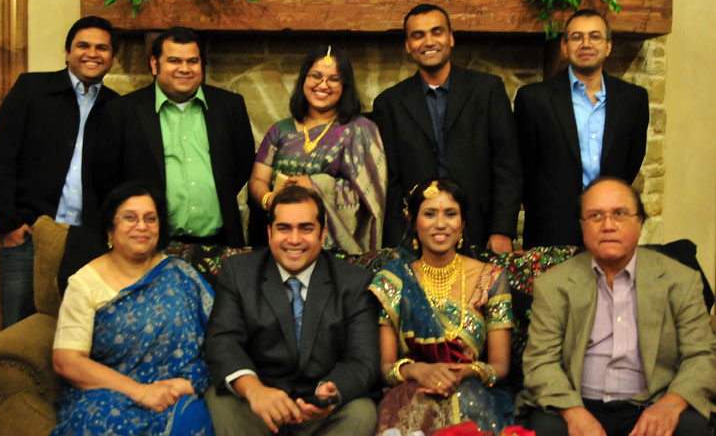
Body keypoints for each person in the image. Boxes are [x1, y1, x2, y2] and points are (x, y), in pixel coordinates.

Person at [518, 177, 716, 436]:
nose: (608, 225)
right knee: (546, 428)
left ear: (640, 222)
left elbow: (701, 356)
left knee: (692, 427)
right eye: (595, 216)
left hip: (655, 401)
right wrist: (573, 412)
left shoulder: (680, 280)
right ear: (582, 226)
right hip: (577, 402)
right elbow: (540, 361)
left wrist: (672, 404)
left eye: (620, 214)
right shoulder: (553, 285)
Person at [204, 186, 379, 436]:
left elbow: (363, 359)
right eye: (284, 228)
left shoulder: (354, 281)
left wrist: (331, 393)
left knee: (362, 412)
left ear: (322, 234)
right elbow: (222, 341)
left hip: (319, 411)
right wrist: (254, 390)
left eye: (306, 229)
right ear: (269, 233)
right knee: (220, 400)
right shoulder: (238, 272)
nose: (294, 240)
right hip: (258, 407)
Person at [50, 182, 216, 436]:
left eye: (150, 219)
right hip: (110, 394)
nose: (142, 226)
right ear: (110, 228)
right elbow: (67, 362)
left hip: (178, 393)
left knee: (202, 417)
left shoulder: (180, 274)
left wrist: (188, 385)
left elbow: (221, 336)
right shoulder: (84, 284)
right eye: (130, 218)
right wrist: (142, 392)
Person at [0, 16, 119, 327]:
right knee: (19, 329)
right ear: (68, 52)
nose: (92, 53)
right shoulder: (31, 89)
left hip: (86, 241)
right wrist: (9, 225)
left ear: (113, 58)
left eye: (102, 48)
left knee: (81, 330)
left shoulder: (117, 107)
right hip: (29, 235)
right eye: (83, 45)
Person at [369, 178, 515, 435]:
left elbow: (500, 367)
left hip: (471, 392)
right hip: (408, 393)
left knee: (468, 400)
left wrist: (467, 371)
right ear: (413, 221)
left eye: (450, 214)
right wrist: (417, 370)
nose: (440, 224)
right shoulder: (393, 280)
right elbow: (384, 367)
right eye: (429, 214)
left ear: (463, 223)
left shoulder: (490, 278)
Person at [372, 4, 521, 254]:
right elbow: (391, 182)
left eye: (436, 32)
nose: (428, 41)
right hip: (416, 238)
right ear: (408, 45)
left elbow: (507, 165)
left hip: (481, 232)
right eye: (418, 35)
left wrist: (502, 230)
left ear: (450, 38)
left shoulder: (487, 90)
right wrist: (398, 239)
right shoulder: (389, 103)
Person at [94, 26, 254, 247]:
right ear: (154, 65)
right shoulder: (121, 111)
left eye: (192, 61)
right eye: (174, 61)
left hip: (220, 242)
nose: (185, 69)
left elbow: (242, 165)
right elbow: (106, 178)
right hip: (151, 245)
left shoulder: (230, 107)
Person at [515, 9, 649, 247]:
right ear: (565, 47)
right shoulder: (534, 99)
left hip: (612, 226)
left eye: (595, 36)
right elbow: (523, 166)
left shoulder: (633, 99)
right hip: (551, 228)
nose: (586, 44)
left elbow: (632, 159)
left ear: (608, 47)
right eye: (577, 37)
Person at [249, 46, 386, 253]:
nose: (323, 85)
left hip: (336, 250)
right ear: (304, 79)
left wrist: (315, 185)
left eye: (334, 79)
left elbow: (370, 196)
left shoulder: (360, 131)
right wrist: (270, 199)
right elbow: (258, 179)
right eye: (316, 76)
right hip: (282, 238)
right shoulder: (280, 130)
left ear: (345, 86)